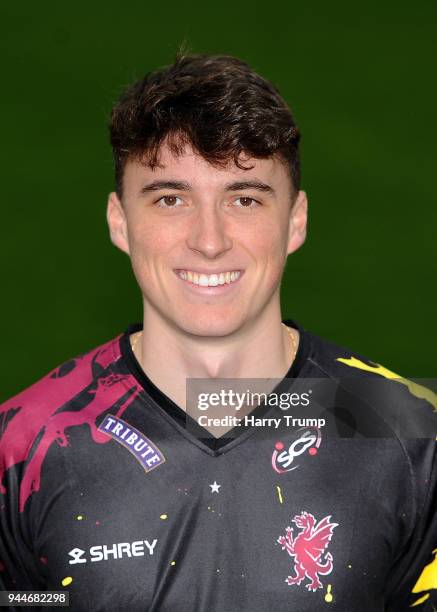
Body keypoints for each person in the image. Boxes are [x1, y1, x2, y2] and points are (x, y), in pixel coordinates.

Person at [0, 53, 436, 612]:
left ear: (296, 221)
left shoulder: (411, 436)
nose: (209, 240)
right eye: (170, 199)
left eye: (245, 199)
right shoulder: (23, 449)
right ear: (118, 221)